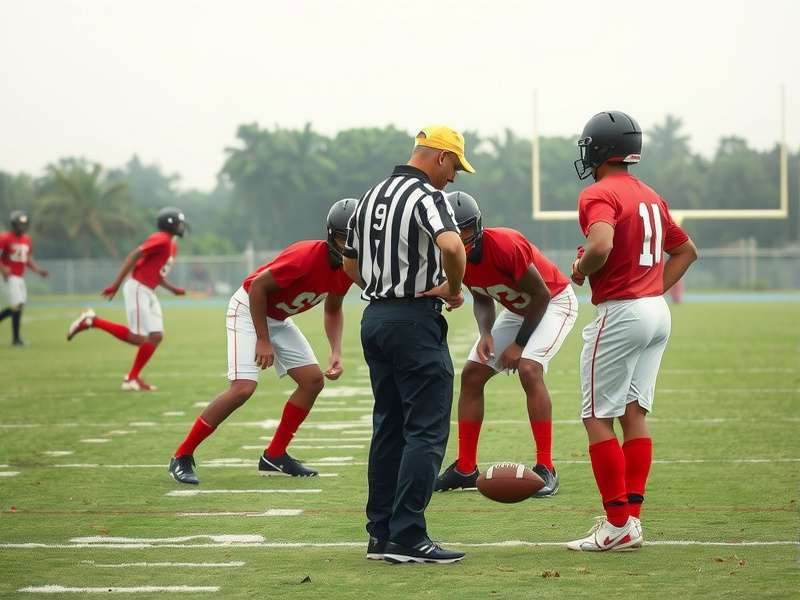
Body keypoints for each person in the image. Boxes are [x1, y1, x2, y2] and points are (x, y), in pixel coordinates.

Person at [566, 111, 698, 551]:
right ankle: (631, 521)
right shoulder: (651, 195)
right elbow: (687, 251)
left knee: (596, 416)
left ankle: (617, 524)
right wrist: (651, 290)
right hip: (656, 311)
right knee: (633, 413)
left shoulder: (598, 192)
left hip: (622, 312)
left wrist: (581, 268)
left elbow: (601, 244)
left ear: (600, 150)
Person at [343, 125, 470, 564]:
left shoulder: (370, 195)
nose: (453, 177)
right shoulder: (425, 196)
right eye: (454, 166)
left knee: (389, 428)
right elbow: (453, 246)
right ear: (439, 156)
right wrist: (453, 288)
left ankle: (380, 535)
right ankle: (408, 535)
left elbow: (349, 261)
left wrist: (382, 288)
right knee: (426, 430)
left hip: (375, 318)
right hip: (414, 321)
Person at [168, 199, 356, 484]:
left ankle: (274, 455)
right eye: (345, 237)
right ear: (331, 235)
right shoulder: (306, 256)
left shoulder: (349, 266)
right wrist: (263, 339)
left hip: (278, 317)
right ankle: (182, 455)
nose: (351, 244)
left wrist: (336, 351)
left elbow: (332, 309)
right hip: (249, 307)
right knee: (243, 388)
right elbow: (257, 287)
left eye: (357, 236)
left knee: (312, 381)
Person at [434, 191, 577, 497]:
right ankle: (466, 468)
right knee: (472, 374)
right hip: (518, 309)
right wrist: (485, 332)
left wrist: (519, 345)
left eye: (465, 230)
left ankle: (546, 467)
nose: (459, 237)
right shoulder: (452, 254)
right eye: (453, 231)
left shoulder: (505, 244)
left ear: (477, 227)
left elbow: (540, 295)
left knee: (529, 369)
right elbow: (482, 296)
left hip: (554, 301)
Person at [66, 207, 188, 391]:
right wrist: (116, 284)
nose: (181, 226)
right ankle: (92, 321)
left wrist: (172, 289)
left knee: (156, 336)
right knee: (138, 338)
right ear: (169, 224)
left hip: (149, 291)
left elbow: (156, 272)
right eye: (179, 223)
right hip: (138, 288)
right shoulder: (161, 239)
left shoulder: (172, 244)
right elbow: (134, 255)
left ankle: (132, 379)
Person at [0, 211, 49, 346]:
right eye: (19, 224)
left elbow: (27, 259)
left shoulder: (27, 239)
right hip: (9, 276)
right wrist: (3, 268)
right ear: (13, 225)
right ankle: (16, 339)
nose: (22, 227)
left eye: (24, 224)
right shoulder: (4, 238)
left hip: (20, 277)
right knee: (18, 305)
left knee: (19, 306)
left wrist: (38, 270)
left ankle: (16, 339)